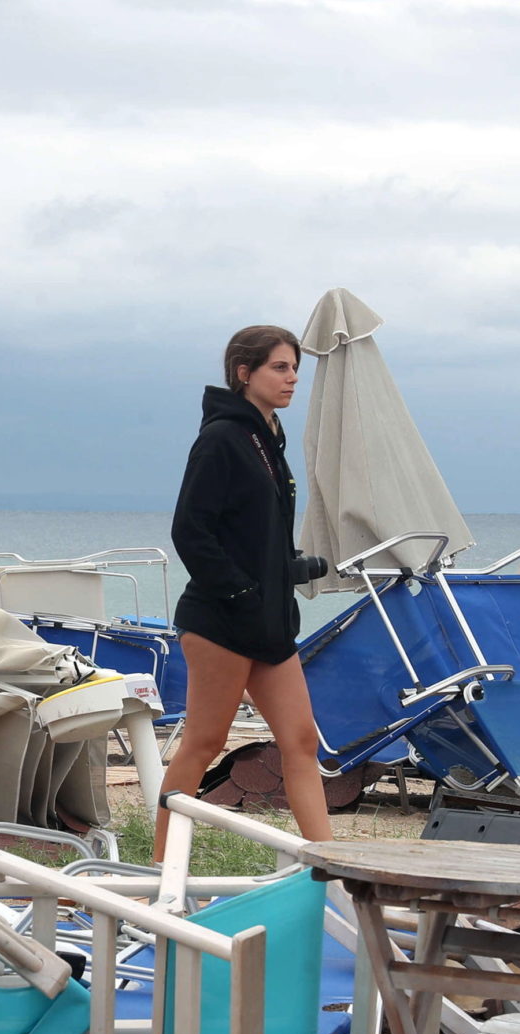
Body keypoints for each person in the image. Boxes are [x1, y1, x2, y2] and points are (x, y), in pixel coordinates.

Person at [155, 324, 334, 855]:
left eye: (295, 368)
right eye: (280, 367)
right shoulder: (221, 439)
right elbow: (190, 530)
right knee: (205, 744)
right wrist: (238, 592)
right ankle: (159, 870)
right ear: (243, 372)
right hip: (222, 622)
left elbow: (252, 534)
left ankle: (329, 868)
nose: (292, 378)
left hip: (270, 625)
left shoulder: (268, 440)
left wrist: (286, 571)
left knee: (301, 742)